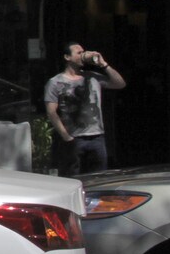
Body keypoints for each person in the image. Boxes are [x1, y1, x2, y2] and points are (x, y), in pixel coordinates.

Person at [45, 42, 127, 175]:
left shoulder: (92, 77)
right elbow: (51, 111)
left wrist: (104, 64)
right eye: (78, 53)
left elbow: (120, 84)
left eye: (83, 52)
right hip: (74, 138)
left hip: (96, 137)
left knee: (99, 177)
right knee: (73, 178)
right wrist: (66, 137)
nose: (82, 55)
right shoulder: (55, 82)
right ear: (67, 57)